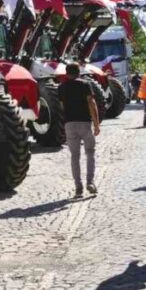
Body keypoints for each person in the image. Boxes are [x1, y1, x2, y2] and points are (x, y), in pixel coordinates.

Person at [57, 63, 100, 198]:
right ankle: (90, 182)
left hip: (69, 124)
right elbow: (91, 103)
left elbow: (62, 107)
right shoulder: (85, 85)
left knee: (74, 157)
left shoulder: (61, 87)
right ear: (79, 72)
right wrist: (96, 123)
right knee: (90, 153)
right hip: (84, 124)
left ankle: (78, 187)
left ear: (66, 73)